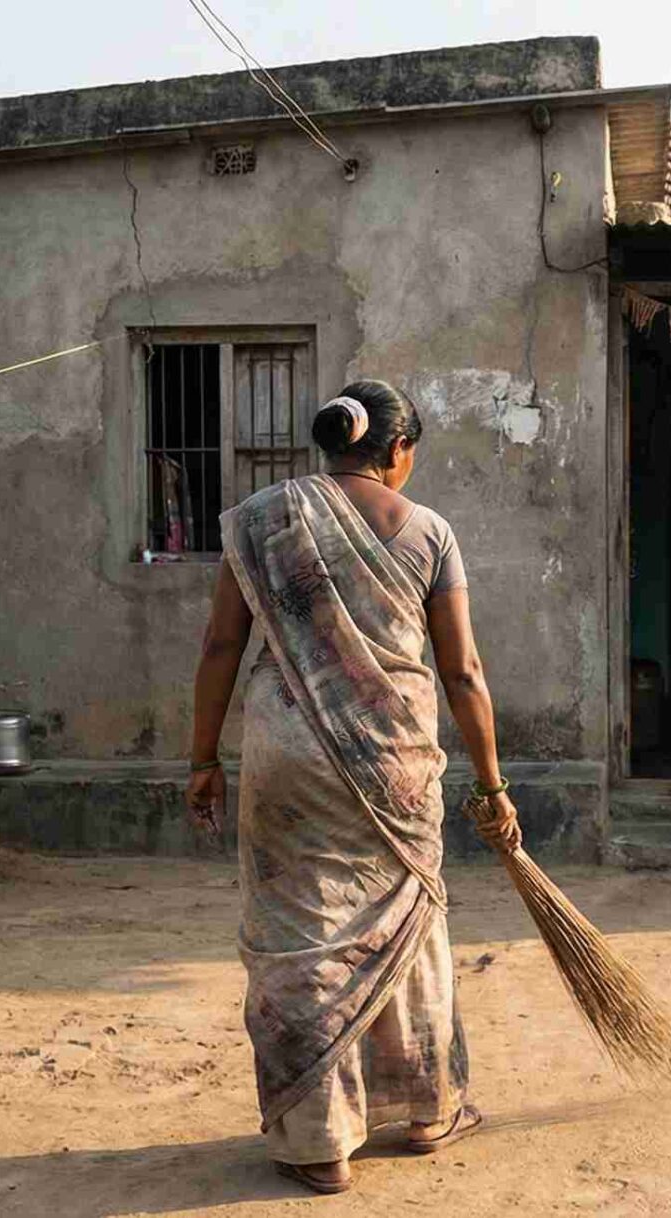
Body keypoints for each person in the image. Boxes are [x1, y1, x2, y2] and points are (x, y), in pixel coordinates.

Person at [185, 379, 521, 1196]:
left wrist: (202, 760)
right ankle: (430, 1109)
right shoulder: (429, 531)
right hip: (393, 757)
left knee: (301, 933)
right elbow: (463, 671)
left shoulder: (263, 519)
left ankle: (318, 1143)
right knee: (409, 924)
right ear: (397, 450)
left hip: (285, 754)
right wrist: (493, 785)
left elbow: (222, 645)